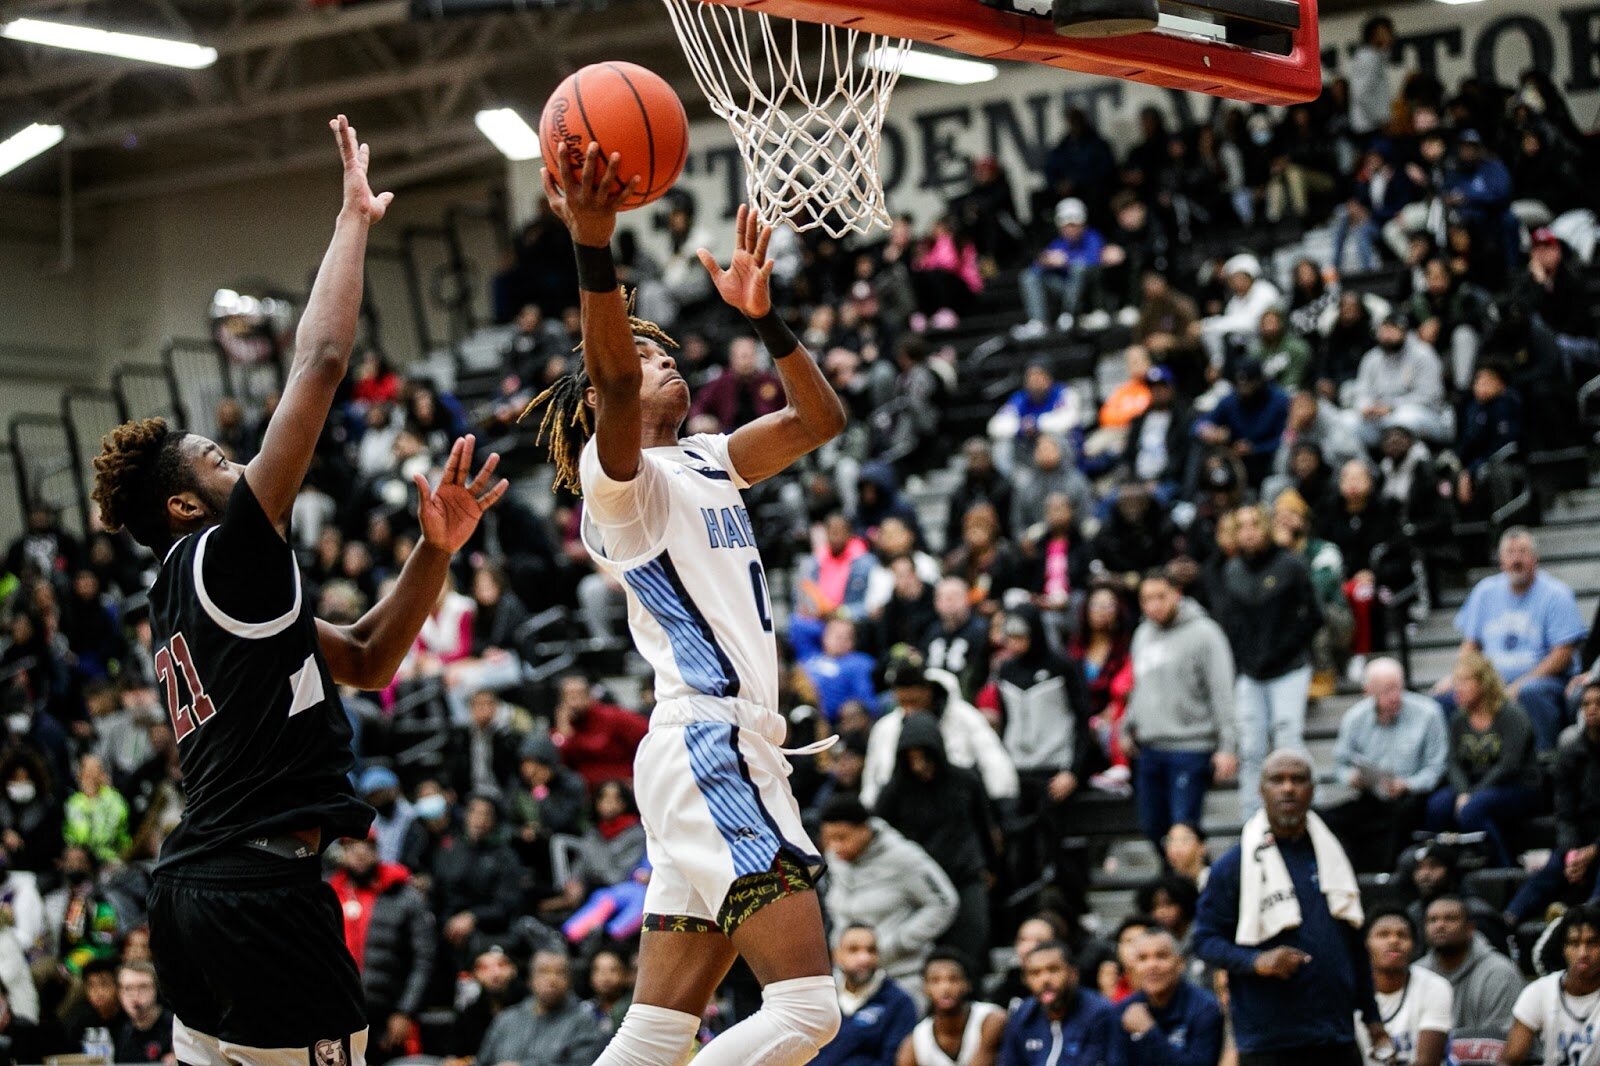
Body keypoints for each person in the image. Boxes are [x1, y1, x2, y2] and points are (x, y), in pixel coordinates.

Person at [89, 117, 507, 1064]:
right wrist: (352, 221)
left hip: (194, 891)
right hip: (262, 898)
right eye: (218, 461)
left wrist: (434, 551)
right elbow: (318, 366)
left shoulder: (185, 593)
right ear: (186, 505)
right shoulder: (228, 556)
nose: (239, 465)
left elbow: (364, 658)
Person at [523, 163, 855, 1066]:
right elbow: (617, 383)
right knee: (807, 1011)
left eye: (670, 352)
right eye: (646, 357)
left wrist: (766, 317)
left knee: (659, 1031)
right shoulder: (617, 485)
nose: (667, 360)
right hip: (711, 744)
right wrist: (593, 242)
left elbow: (820, 417)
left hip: (711, 750)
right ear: (600, 399)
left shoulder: (709, 457)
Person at [1192, 751, 1389, 1066]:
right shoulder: (1235, 864)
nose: (1288, 788)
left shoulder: (1333, 854)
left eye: (1298, 780)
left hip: (1335, 1034)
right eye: (1277, 780)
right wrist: (1257, 961)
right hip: (1269, 1040)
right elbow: (1204, 940)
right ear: (1261, 790)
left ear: (1312, 789)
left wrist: (1373, 1018)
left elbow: (1352, 939)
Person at [1212, 507, 1322, 818]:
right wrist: (1244, 660)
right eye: (1241, 526)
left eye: (1254, 525)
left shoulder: (1290, 565)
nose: (1248, 532)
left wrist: (1286, 649)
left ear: (1266, 527)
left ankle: (1305, 810)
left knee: (1288, 738)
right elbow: (1230, 622)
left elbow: (1312, 616)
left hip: (1288, 666)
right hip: (1251, 672)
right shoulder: (1232, 571)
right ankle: (1252, 818)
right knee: (1251, 748)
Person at [876, 712, 999, 976]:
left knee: (971, 943)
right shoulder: (895, 791)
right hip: (919, 886)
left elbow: (984, 825)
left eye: (925, 756)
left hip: (965, 874)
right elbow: (881, 833)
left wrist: (990, 866)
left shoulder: (965, 780)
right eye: (912, 759)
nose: (919, 766)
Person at [1123, 570, 1237, 849]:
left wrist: (1228, 746)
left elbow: (1222, 691)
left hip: (1191, 746)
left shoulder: (1205, 633)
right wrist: (1127, 725)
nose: (1154, 605)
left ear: (1177, 594)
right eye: (1146, 599)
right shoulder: (1142, 634)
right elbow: (1139, 686)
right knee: (1152, 829)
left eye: (1160, 597)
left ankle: (1193, 884)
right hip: (1150, 746)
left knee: (1183, 830)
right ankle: (1184, 883)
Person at [1447, 527, 1588, 751]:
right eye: (1510, 553)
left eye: (1522, 552)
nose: (1516, 559)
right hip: (1491, 680)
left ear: (1535, 558)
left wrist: (1517, 685)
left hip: (1545, 681)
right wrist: (1458, 677)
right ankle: (1459, 769)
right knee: (1447, 696)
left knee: (1530, 692)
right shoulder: (1485, 591)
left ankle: (1545, 761)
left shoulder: (1556, 594)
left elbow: (1562, 654)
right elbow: (1470, 645)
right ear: (1500, 560)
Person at [1320, 658, 1450, 872]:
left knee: (1402, 814)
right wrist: (1352, 778)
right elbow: (1340, 765)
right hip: (1372, 794)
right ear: (1368, 692)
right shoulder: (1355, 718)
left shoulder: (1428, 713)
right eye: (1386, 691)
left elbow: (1437, 767)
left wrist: (1407, 784)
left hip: (1413, 795)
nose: (1395, 696)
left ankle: (1388, 876)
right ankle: (1347, 872)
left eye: (1398, 688)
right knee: (1324, 818)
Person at [818, 798, 960, 992]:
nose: (835, 847)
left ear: (864, 830)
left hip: (901, 975)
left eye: (842, 837)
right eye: (829, 839)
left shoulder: (904, 857)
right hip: (849, 977)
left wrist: (900, 942)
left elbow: (944, 902)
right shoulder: (836, 859)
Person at [1424, 650, 1541, 867]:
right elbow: (1453, 762)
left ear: (1483, 683)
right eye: (1456, 681)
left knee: (1474, 808)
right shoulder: (1459, 719)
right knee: (1437, 806)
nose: (1457, 687)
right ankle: (1446, 867)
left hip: (1517, 785)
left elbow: (1510, 764)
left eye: (1464, 681)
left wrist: (1471, 795)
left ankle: (1503, 869)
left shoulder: (1511, 714)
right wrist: (1463, 792)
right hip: (1475, 785)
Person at [328, 833, 435, 1061]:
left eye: (366, 846)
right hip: (337, 1013)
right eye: (352, 847)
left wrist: (405, 1011)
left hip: (388, 1012)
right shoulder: (328, 893)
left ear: (377, 851)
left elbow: (423, 959)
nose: (359, 853)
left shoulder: (405, 895)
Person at [1507, 680, 1600, 925]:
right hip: (1580, 840)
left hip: (1595, 845)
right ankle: (1507, 923)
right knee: (1548, 872)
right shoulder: (1570, 750)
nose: (1592, 709)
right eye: (1586, 703)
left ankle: (1585, 921)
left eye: (1598, 703)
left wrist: (1592, 852)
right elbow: (1564, 810)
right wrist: (1572, 853)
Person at [1500, 903, 1600, 1066]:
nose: (1583, 953)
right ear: (1563, 948)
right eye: (1574, 943)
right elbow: (1509, 1060)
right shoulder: (1540, 991)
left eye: (1592, 943)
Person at [474, 948, 609, 1066]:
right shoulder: (506, 1019)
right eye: (544, 972)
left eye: (560, 973)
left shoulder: (584, 1022)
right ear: (530, 979)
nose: (552, 979)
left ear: (569, 981)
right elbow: (482, 1062)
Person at [999, 940, 1120, 1066]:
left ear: (1073, 974)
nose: (1045, 979)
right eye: (1035, 973)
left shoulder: (1100, 1013)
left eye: (1053, 970)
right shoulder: (1022, 1015)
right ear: (1025, 980)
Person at [1417, 895, 1522, 1038]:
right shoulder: (1417, 973)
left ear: (1469, 928)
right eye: (1432, 920)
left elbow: (1501, 1039)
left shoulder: (1499, 973)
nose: (1440, 925)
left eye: (1450, 919)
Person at [1118, 929, 1225, 1066]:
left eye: (1161, 956)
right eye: (1143, 958)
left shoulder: (1205, 1009)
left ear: (1180, 964)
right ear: (1133, 967)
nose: (1152, 965)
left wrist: (1149, 1032)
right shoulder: (1123, 1011)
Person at [816, 924, 919, 1066]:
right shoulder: (821, 996)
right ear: (836, 955)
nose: (864, 958)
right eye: (853, 950)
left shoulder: (899, 1003)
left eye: (871, 950)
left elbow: (893, 1061)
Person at [1361, 910, 1452, 1066]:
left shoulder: (1435, 987)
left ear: (1413, 945)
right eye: (1383, 934)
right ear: (1365, 944)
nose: (1394, 940)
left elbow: (1428, 1062)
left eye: (1402, 935)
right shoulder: (1348, 990)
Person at [897, 950, 1005, 1066]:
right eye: (935, 980)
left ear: (967, 984)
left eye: (953, 979)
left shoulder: (991, 1019)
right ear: (925, 988)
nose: (945, 988)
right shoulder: (915, 1042)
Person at [549, 674, 648, 789]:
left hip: (619, 786)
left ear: (589, 696)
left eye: (579, 695)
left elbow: (646, 734)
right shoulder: (561, 728)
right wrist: (564, 732)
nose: (574, 702)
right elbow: (558, 761)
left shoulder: (614, 717)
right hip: (583, 791)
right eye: (570, 697)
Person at [113, 961, 175, 1063]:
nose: (135, 995)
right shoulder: (122, 1030)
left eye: (143, 987)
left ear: (156, 989)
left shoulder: (173, 1026)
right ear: (119, 993)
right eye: (128, 988)